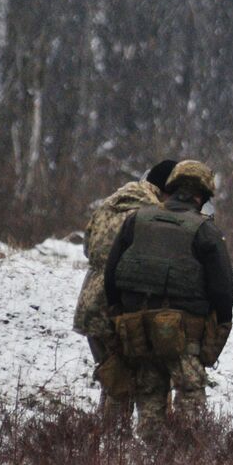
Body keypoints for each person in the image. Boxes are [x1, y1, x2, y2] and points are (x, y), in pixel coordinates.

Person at [104, 160, 233, 439]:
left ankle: (152, 459)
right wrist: (221, 324)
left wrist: (118, 313)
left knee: (149, 391)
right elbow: (223, 288)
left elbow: (111, 272)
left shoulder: (136, 219)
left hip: (138, 327)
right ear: (203, 195)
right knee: (189, 392)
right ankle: (188, 462)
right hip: (184, 332)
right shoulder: (205, 230)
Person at [74, 159, 176, 426]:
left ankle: (105, 446)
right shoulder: (152, 214)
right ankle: (116, 452)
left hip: (90, 305)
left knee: (112, 380)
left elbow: (87, 248)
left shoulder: (110, 203)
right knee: (126, 384)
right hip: (120, 306)